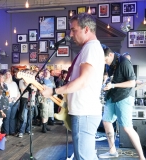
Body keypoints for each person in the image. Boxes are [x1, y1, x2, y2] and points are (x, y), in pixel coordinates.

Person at [41, 13, 104, 159]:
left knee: (83, 157)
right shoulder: (90, 48)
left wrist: (54, 91)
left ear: (86, 29)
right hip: (83, 112)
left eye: (74, 30)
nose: (70, 34)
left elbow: (82, 82)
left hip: (84, 113)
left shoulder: (91, 48)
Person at [98, 45, 146, 160]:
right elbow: (111, 77)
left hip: (124, 97)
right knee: (106, 121)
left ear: (110, 55)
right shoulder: (109, 64)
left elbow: (132, 83)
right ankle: (112, 151)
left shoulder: (124, 62)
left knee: (127, 128)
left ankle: (142, 157)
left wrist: (113, 85)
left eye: (105, 60)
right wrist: (106, 84)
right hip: (112, 97)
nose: (105, 62)